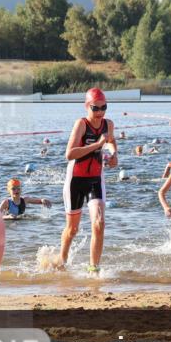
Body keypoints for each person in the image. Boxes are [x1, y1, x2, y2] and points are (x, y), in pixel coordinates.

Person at [50, 88, 118, 273]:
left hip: (96, 179)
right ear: (87, 107)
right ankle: (61, 261)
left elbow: (110, 140)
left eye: (104, 107)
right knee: (72, 229)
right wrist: (97, 145)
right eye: (96, 108)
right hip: (76, 180)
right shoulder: (81, 124)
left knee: (99, 222)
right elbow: (69, 154)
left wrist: (113, 154)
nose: (100, 113)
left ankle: (93, 268)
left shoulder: (108, 124)